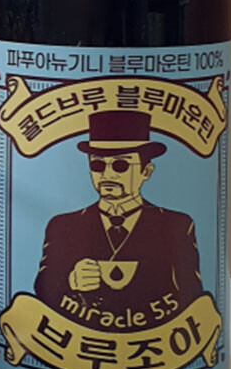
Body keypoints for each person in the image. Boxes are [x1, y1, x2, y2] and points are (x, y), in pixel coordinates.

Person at [33, 110, 204, 331]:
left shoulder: (177, 225)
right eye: (97, 165)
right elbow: (42, 288)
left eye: (120, 166)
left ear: (146, 171)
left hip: (153, 336)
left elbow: (192, 294)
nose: (108, 175)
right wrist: (70, 280)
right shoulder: (62, 226)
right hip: (81, 336)